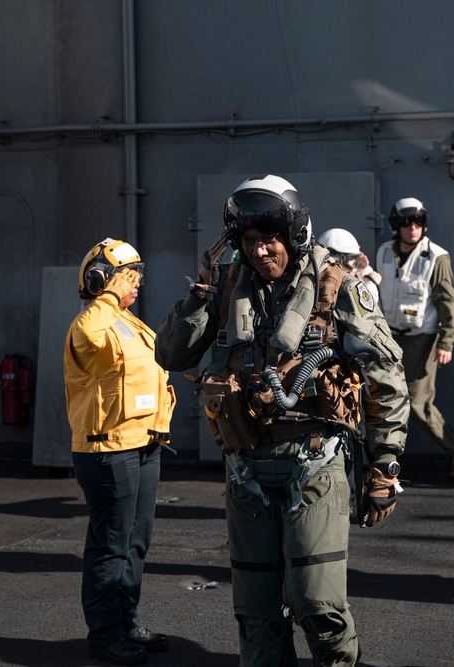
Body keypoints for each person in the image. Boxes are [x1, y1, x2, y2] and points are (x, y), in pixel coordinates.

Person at [155, 174, 410, 666]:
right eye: (249, 241)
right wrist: (203, 288)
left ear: (293, 234)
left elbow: (386, 376)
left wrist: (386, 464)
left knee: (318, 605)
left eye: (269, 238)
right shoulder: (227, 286)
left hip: (315, 463)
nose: (260, 251)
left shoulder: (338, 288)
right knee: (256, 615)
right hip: (247, 470)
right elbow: (172, 352)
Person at [64, 238, 177, 666]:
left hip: (144, 443)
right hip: (108, 450)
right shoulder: (90, 322)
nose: (137, 284)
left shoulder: (129, 322)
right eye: (128, 276)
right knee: (111, 544)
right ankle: (105, 635)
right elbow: (92, 339)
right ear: (100, 279)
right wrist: (105, 293)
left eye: (138, 276)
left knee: (135, 542)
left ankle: (126, 621)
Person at [375, 196, 454, 481]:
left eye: (417, 222)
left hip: (423, 339)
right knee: (382, 396)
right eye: (406, 223)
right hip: (390, 338)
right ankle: (382, 463)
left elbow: (448, 301)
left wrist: (447, 342)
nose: (412, 229)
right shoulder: (383, 252)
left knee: (417, 402)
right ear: (396, 225)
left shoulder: (436, 256)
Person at [317, 227, 382, 302]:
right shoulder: (334, 290)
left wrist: (365, 271)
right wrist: (370, 282)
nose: (354, 269)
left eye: (356, 261)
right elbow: (368, 305)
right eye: (351, 259)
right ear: (333, 260)